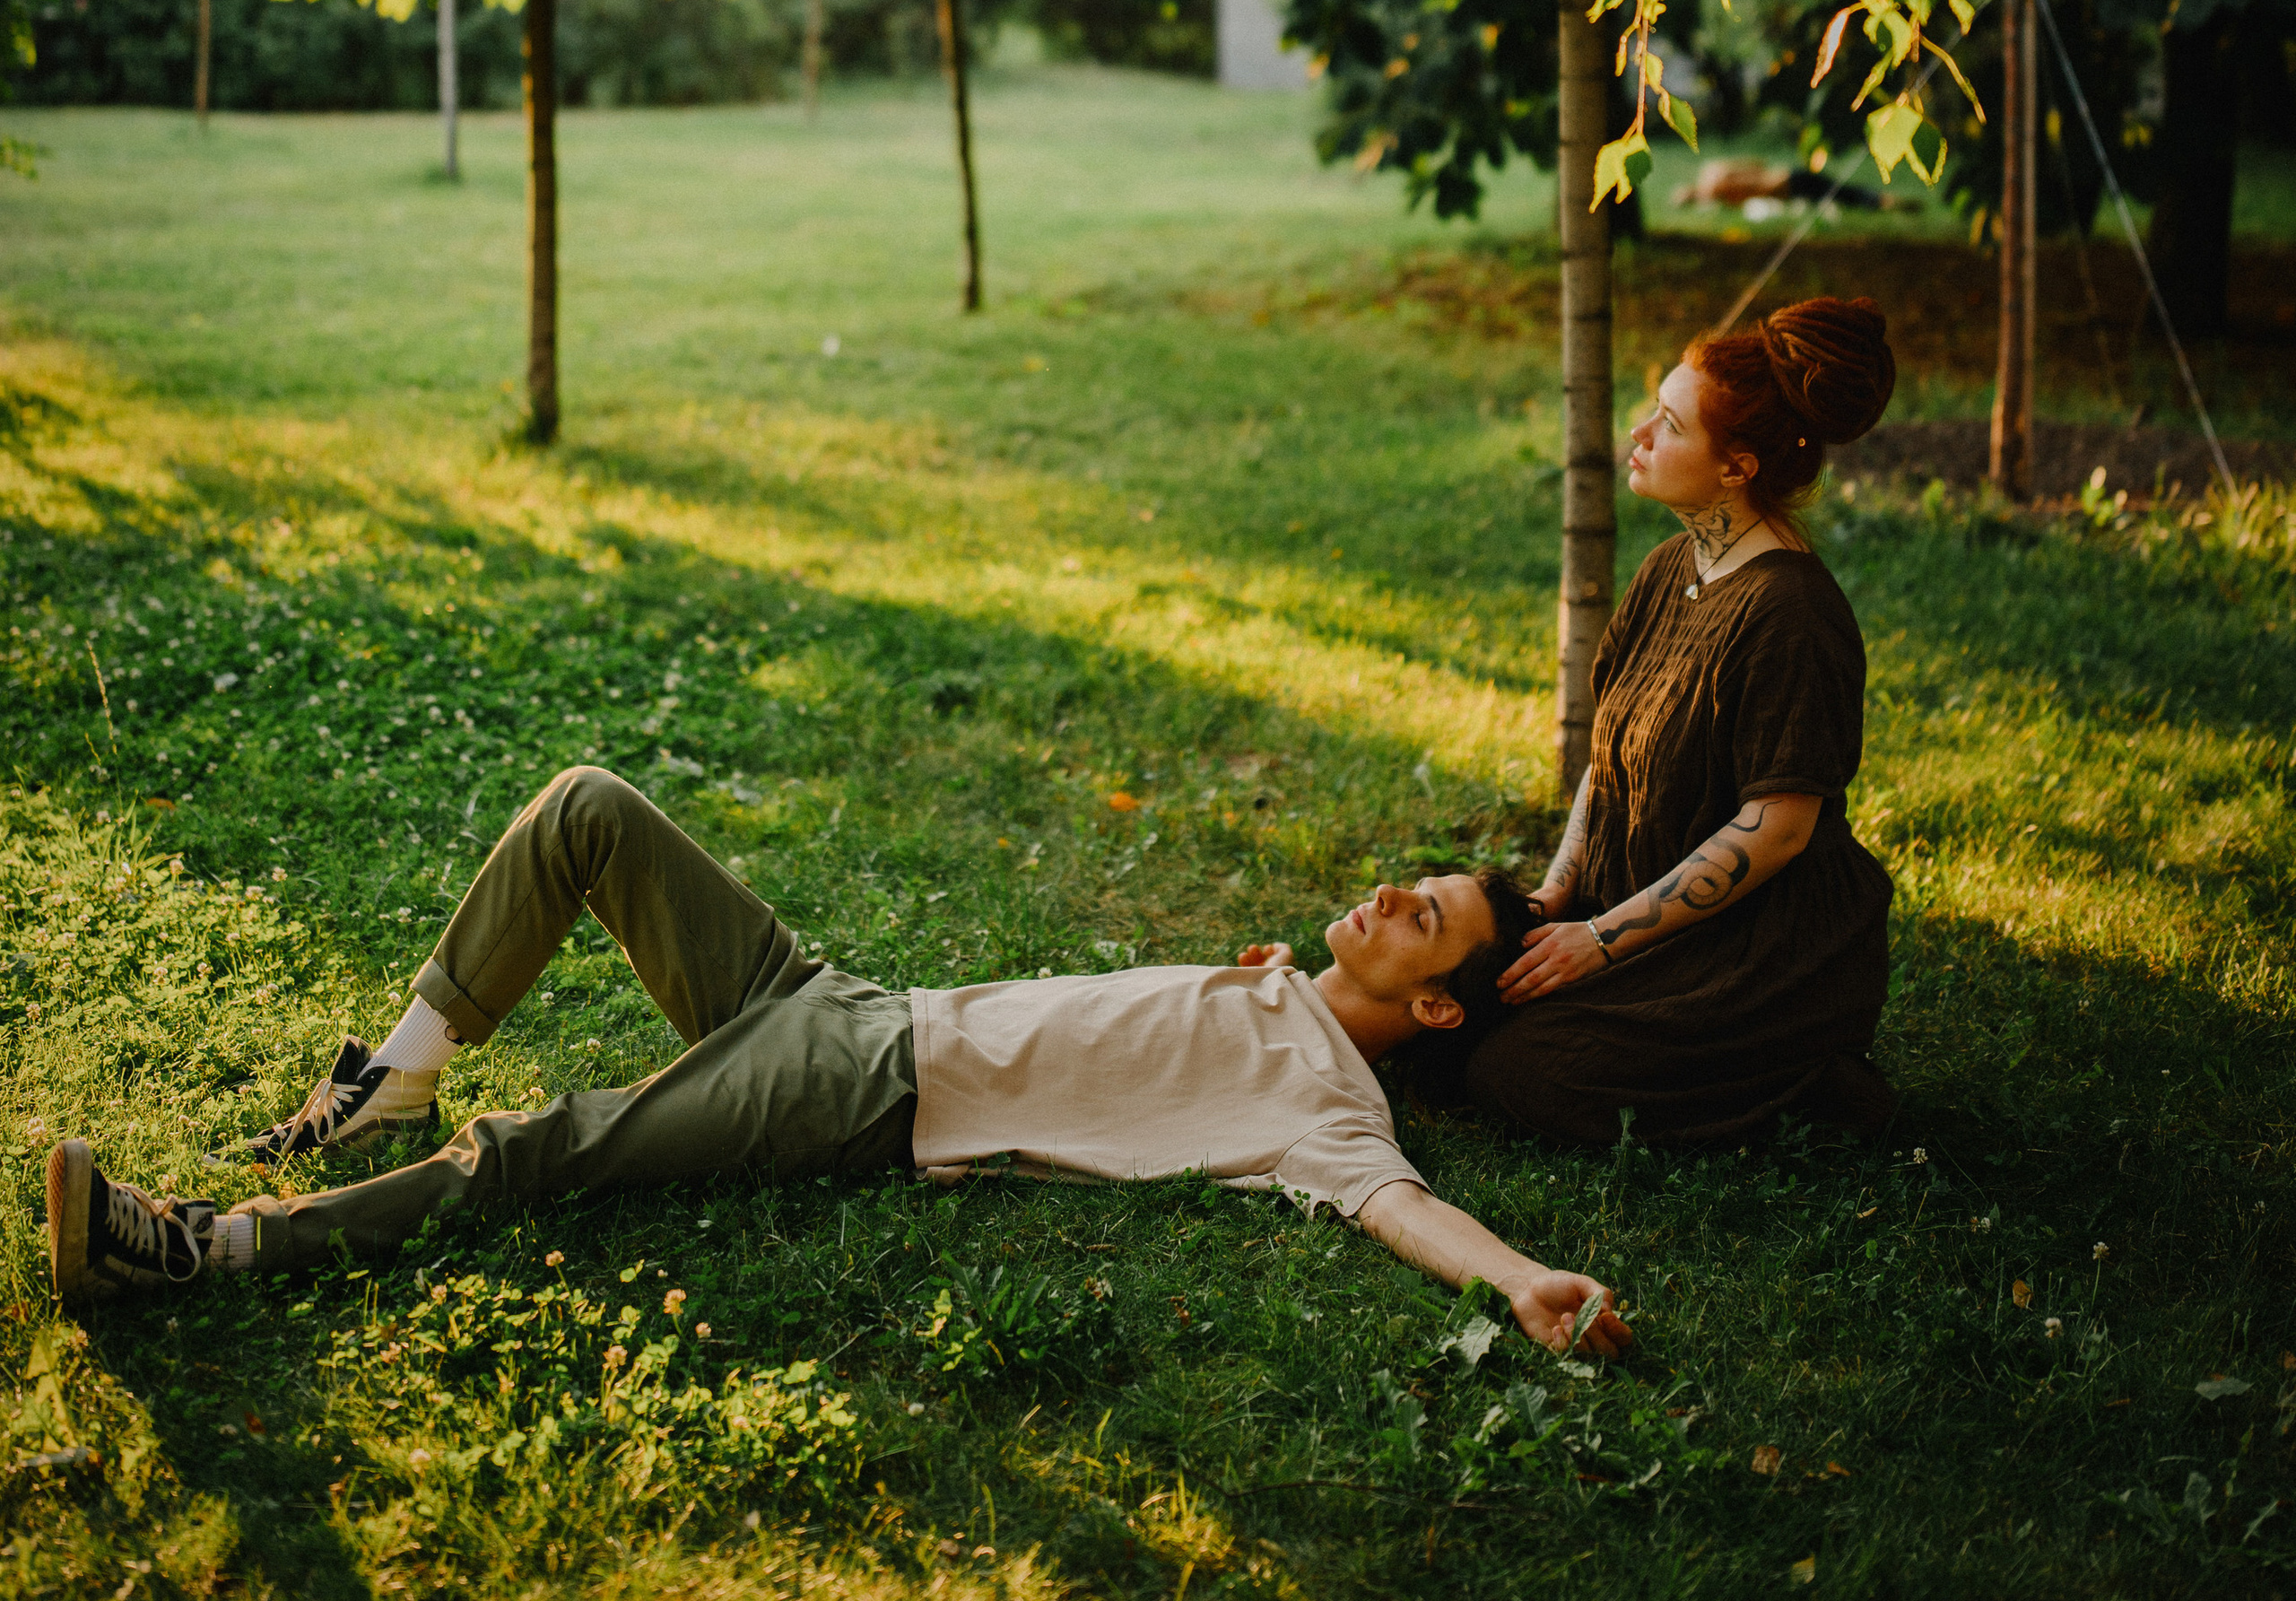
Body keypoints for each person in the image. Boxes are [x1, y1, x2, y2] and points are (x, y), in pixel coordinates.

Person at [47, 763, 1631, 1358]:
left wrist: (1520, 1282)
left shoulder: (1323, 1105)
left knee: (546, 1152)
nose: (1391, 893)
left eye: (1424, 917)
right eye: (1409, 883)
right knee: (589, 806)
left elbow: (1403, 1206)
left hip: (862, 1093)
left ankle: (201, 1252)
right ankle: (397, 1067)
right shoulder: (1280, 981)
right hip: (840, 1004)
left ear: (1437, 1010)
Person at [1457, 294, 1899, 1150]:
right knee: (1474, 1000)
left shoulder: (1792, 614)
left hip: (1760, 953)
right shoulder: (1674, 563)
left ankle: (1813, 1085)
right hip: (1638, 911)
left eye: (1668, 423)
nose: (1639, 433)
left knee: (1524, 1071)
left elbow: (1777, 830)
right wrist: (1558, 895)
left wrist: (1602, 943)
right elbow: (1610, 754)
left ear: (1736, 466)